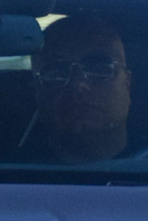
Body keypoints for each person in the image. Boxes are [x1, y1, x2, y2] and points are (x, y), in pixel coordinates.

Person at [29, 14, 133, 164]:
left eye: (98, 68)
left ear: (127, 84)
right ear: (36, 92)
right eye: (56, 73)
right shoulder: (5, 179)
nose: (78, 84)